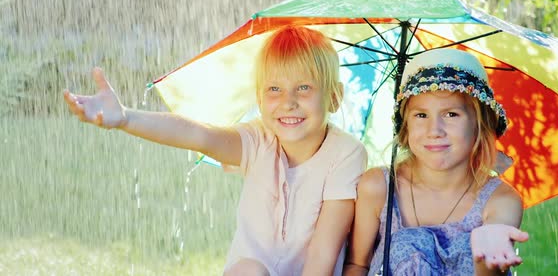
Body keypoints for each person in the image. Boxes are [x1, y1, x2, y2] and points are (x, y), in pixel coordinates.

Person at [64, 25, 368, 276]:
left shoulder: (345, 153)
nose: (288, 101)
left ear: (334, 97)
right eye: (274, 89)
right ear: (260, 101)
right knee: (249, 270)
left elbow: (323, 255)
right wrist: (127, 118)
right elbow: (198, 135)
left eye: (304, 88)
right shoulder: (259, 139)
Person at [343, 48, 529, 275]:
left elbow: (491, 267)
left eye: (451, 114)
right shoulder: (378, 187)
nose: (434, 131)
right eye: (421, 115)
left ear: (479, 124)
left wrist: (486, 259)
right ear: (405, 126)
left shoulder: (500, 200)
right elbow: (357, 264)